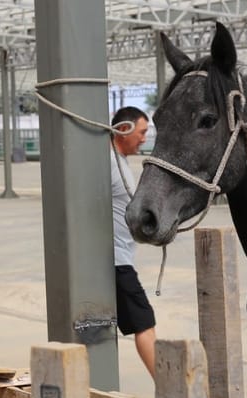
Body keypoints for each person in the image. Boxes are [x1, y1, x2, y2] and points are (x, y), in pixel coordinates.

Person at [110, 106, 156, 378]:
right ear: (123, 130)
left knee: (144, 323)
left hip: (123, 257)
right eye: (141, 132)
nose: (143, 139)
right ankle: (166, 385)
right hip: (117, 262)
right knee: (145, 324)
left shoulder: (120, 162)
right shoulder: (107, 161)